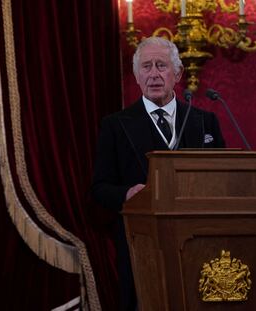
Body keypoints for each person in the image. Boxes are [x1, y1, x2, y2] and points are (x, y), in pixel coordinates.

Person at [90, 37, 225, 311]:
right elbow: (99, 187)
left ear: (177, 74)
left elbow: (222, 178)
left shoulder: (204, 121)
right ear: (137, 76)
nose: (153, 74)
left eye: (161, 66)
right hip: (142, 246)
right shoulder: (115, 125)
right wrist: (126, 194)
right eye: (146, 67)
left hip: (199, 243)